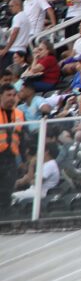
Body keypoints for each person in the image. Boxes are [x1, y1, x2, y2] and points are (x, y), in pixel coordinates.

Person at [0, 84, 23, 215]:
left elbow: (23, 138)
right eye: (8, 95)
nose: (12, 98)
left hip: (11, 159)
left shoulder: (19, 114)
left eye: (14, 95)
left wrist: (23, 160)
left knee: (7, 191)